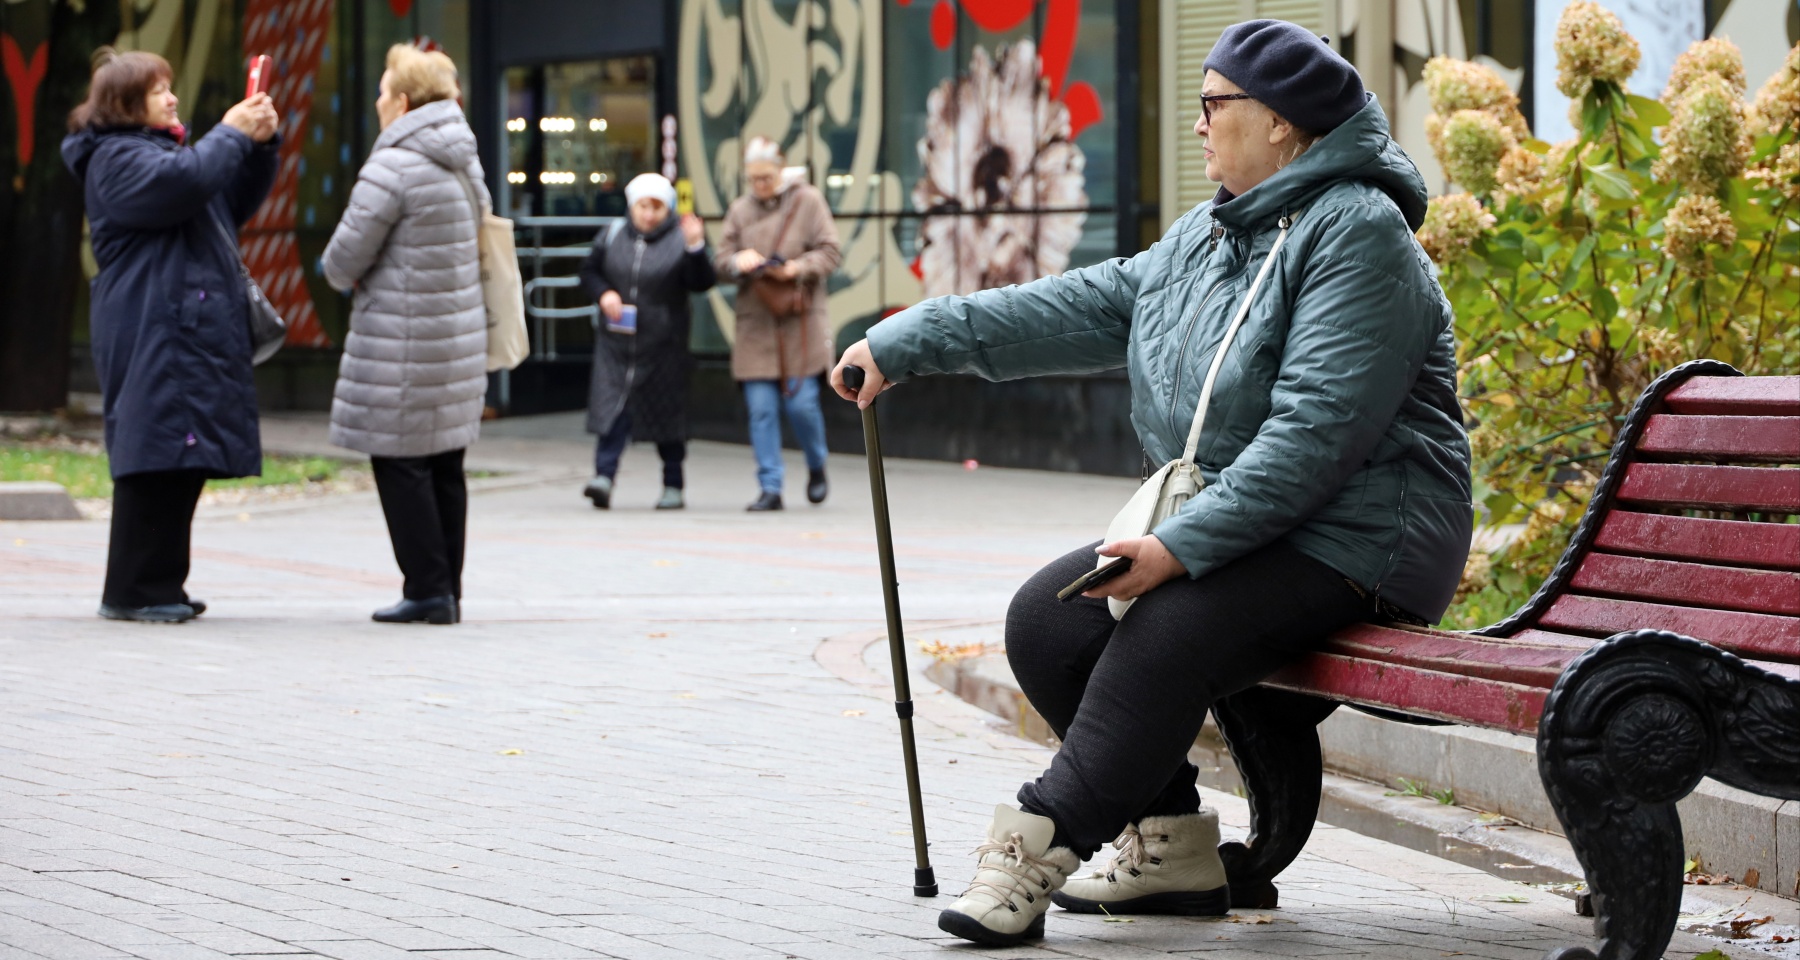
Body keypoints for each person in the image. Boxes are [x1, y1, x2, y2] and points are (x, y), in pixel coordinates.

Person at [833, 21, 1473, 947]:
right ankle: (1168, 845)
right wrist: (903, 340)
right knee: (1049, 619)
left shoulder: (1360, 236)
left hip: (1361, 536)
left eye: (1217, 104)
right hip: (1251, 529)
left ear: (1285, 125)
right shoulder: (1208, 237)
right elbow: (1068, 308)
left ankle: (1036, 845)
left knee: (1164, 631)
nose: (1201, 124)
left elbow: (1315, 438)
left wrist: (1177, 548)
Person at [61, 48, 280, 624]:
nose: (173, 96)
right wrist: (230, 132)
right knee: (152, 457)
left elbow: (226, 201)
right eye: (160, 90)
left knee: (182, 458)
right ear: (127, 103)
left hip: (185, 327)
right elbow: (187, 181)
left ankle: (162, 584)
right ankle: (132, 591)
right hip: (151, 327)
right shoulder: (115, 158)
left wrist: (258, 147)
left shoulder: (167, 155)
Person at [321, 44, 488, 626]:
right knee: (444, 462)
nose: (376, 100)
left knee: (399, 462)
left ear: (405, 101)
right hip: (458, 337)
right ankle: (447, 590)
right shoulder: (464, 157)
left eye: (384, 89)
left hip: (401, 343)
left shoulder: (392, 164)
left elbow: (342, 260)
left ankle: (425, 589)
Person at [716, 137, 841, 511]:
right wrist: (739, 261)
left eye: (766, 177)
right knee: (761, 409)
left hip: (799, 320)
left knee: (802, 406)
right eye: (753, 179)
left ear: (781, 170)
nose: (760, 186)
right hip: (756, 322)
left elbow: (831, 252)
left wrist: (796, 268)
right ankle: (770, 486)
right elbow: (720, 259)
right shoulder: (739, 210)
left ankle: (817, 464)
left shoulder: (808, 201)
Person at [577, 173, 716, 510]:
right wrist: (605, 293)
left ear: (668, 208)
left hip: (664, 344)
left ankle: (672, 484)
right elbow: (588, 272)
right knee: (614, 410)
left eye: (657, 207)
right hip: (617, 344)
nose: (650, 214)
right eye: (643, 206)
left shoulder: (681, 239)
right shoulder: (612, 234)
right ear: (632, 206)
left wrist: (696, 247)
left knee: (666, 416)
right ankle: (603, 477)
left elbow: (700, 283)